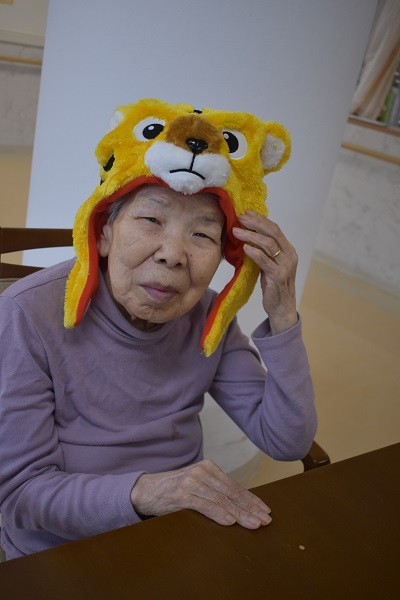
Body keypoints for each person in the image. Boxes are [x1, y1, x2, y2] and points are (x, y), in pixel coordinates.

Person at [0, 101, 317, 560]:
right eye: (151, 220)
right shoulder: (25, 315)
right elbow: (21, 494)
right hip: (61, 551)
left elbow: (288, 441)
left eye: (202, 235)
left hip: (174, 535)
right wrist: (150, 493)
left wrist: (283, 312)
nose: (172, 254)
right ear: (104, 233)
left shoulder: (208, 318)